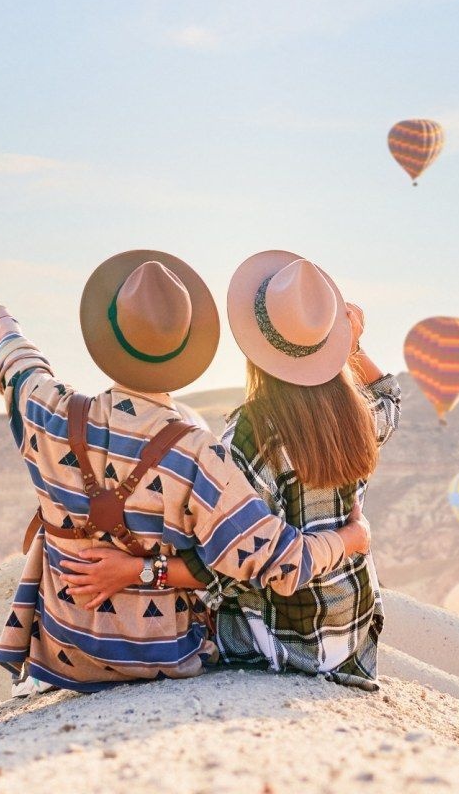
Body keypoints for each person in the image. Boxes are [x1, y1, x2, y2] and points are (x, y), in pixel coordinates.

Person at [0, 220, 372, 694]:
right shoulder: (200, 456)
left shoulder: (48, 408)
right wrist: (353, 537)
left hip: (66, 651)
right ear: (186, 346)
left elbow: (8, 344)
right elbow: (283, 566)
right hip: (163, 658)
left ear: (108, 333)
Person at [61, 250, 400, 689]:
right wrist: (352, 349)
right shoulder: (357, 412)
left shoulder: (251, 434)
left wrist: (133, 572)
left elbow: (221, 564)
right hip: (351, 630)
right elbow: (389, 399)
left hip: (283, 640)